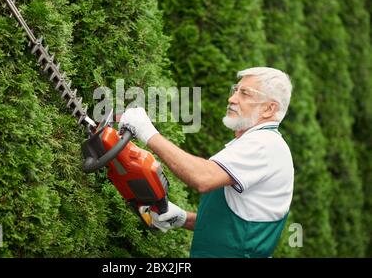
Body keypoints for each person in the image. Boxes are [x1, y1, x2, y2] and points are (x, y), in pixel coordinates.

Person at [118, 67, 294, 258]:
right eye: (235, 90)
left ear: (269, 109)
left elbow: (203, 178)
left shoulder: (264, 144)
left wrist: (146, 131)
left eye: (244, 94)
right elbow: (241, 225)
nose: (232, 99)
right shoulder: (263, 144)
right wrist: (185, 219)